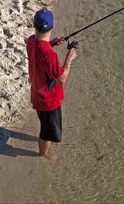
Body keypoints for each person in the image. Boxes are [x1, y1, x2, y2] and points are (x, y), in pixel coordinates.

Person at [26, 8, 77, 160]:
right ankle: (43, 153)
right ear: (52, 26)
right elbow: (61, 78)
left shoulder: (30, 41)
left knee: (46, 124)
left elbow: (40, 48)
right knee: (47, 132)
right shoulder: (49, 54)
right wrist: (69, 59)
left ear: (34, 25)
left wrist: (52, 42)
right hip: (48, 100)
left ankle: (46, 144)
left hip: (37, 93)